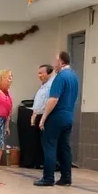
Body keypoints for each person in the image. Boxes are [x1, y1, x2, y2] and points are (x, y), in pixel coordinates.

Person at [36, 50, 79, 187]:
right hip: (69, 116)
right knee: (64, 147)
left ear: (61, 62)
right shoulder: (74, 77)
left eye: (55, 61)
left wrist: (44, 117)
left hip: (57, 116)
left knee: (49, 146)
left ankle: (48, 177)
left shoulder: (60, 77)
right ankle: (66, 177)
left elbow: (53, 99)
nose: (54, 64)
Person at [23, 63, 54, 169]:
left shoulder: (51, 85)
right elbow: (39, 102)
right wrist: (34, 114)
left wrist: (43, 117)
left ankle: (51, 165)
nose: (39, 75)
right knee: (39, 141)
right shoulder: (43, 86)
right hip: (38, 115)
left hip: (46, 115)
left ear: (49, 73)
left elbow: (49, 102)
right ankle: (41, 162)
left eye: (41, 73)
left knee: (46, 141)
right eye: (38, 73)